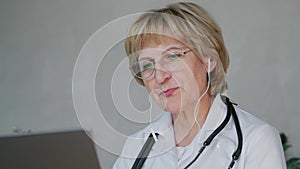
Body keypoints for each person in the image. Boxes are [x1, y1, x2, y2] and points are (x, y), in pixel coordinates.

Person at [113, 2, 286, 169]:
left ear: (208, 59)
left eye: (172, 57)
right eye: (148, 65)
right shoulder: (136, 147)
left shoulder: (255, 139)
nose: (160, 77)